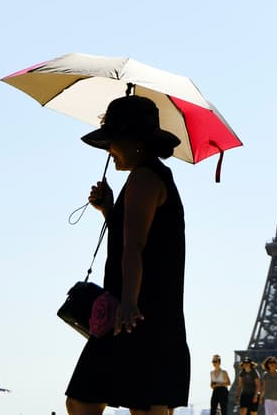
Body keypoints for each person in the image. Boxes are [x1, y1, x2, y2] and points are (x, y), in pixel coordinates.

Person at [65, 95, 190, 415]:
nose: (109, 150)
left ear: (133, 142)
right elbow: (137, 240)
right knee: (143, 403)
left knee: (89, 401)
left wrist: (129, 304)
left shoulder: (144, 179)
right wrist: (108, 210)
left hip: (134, 313)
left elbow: (134, 247)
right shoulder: (152, 176)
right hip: (151, 312)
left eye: (112, 142)